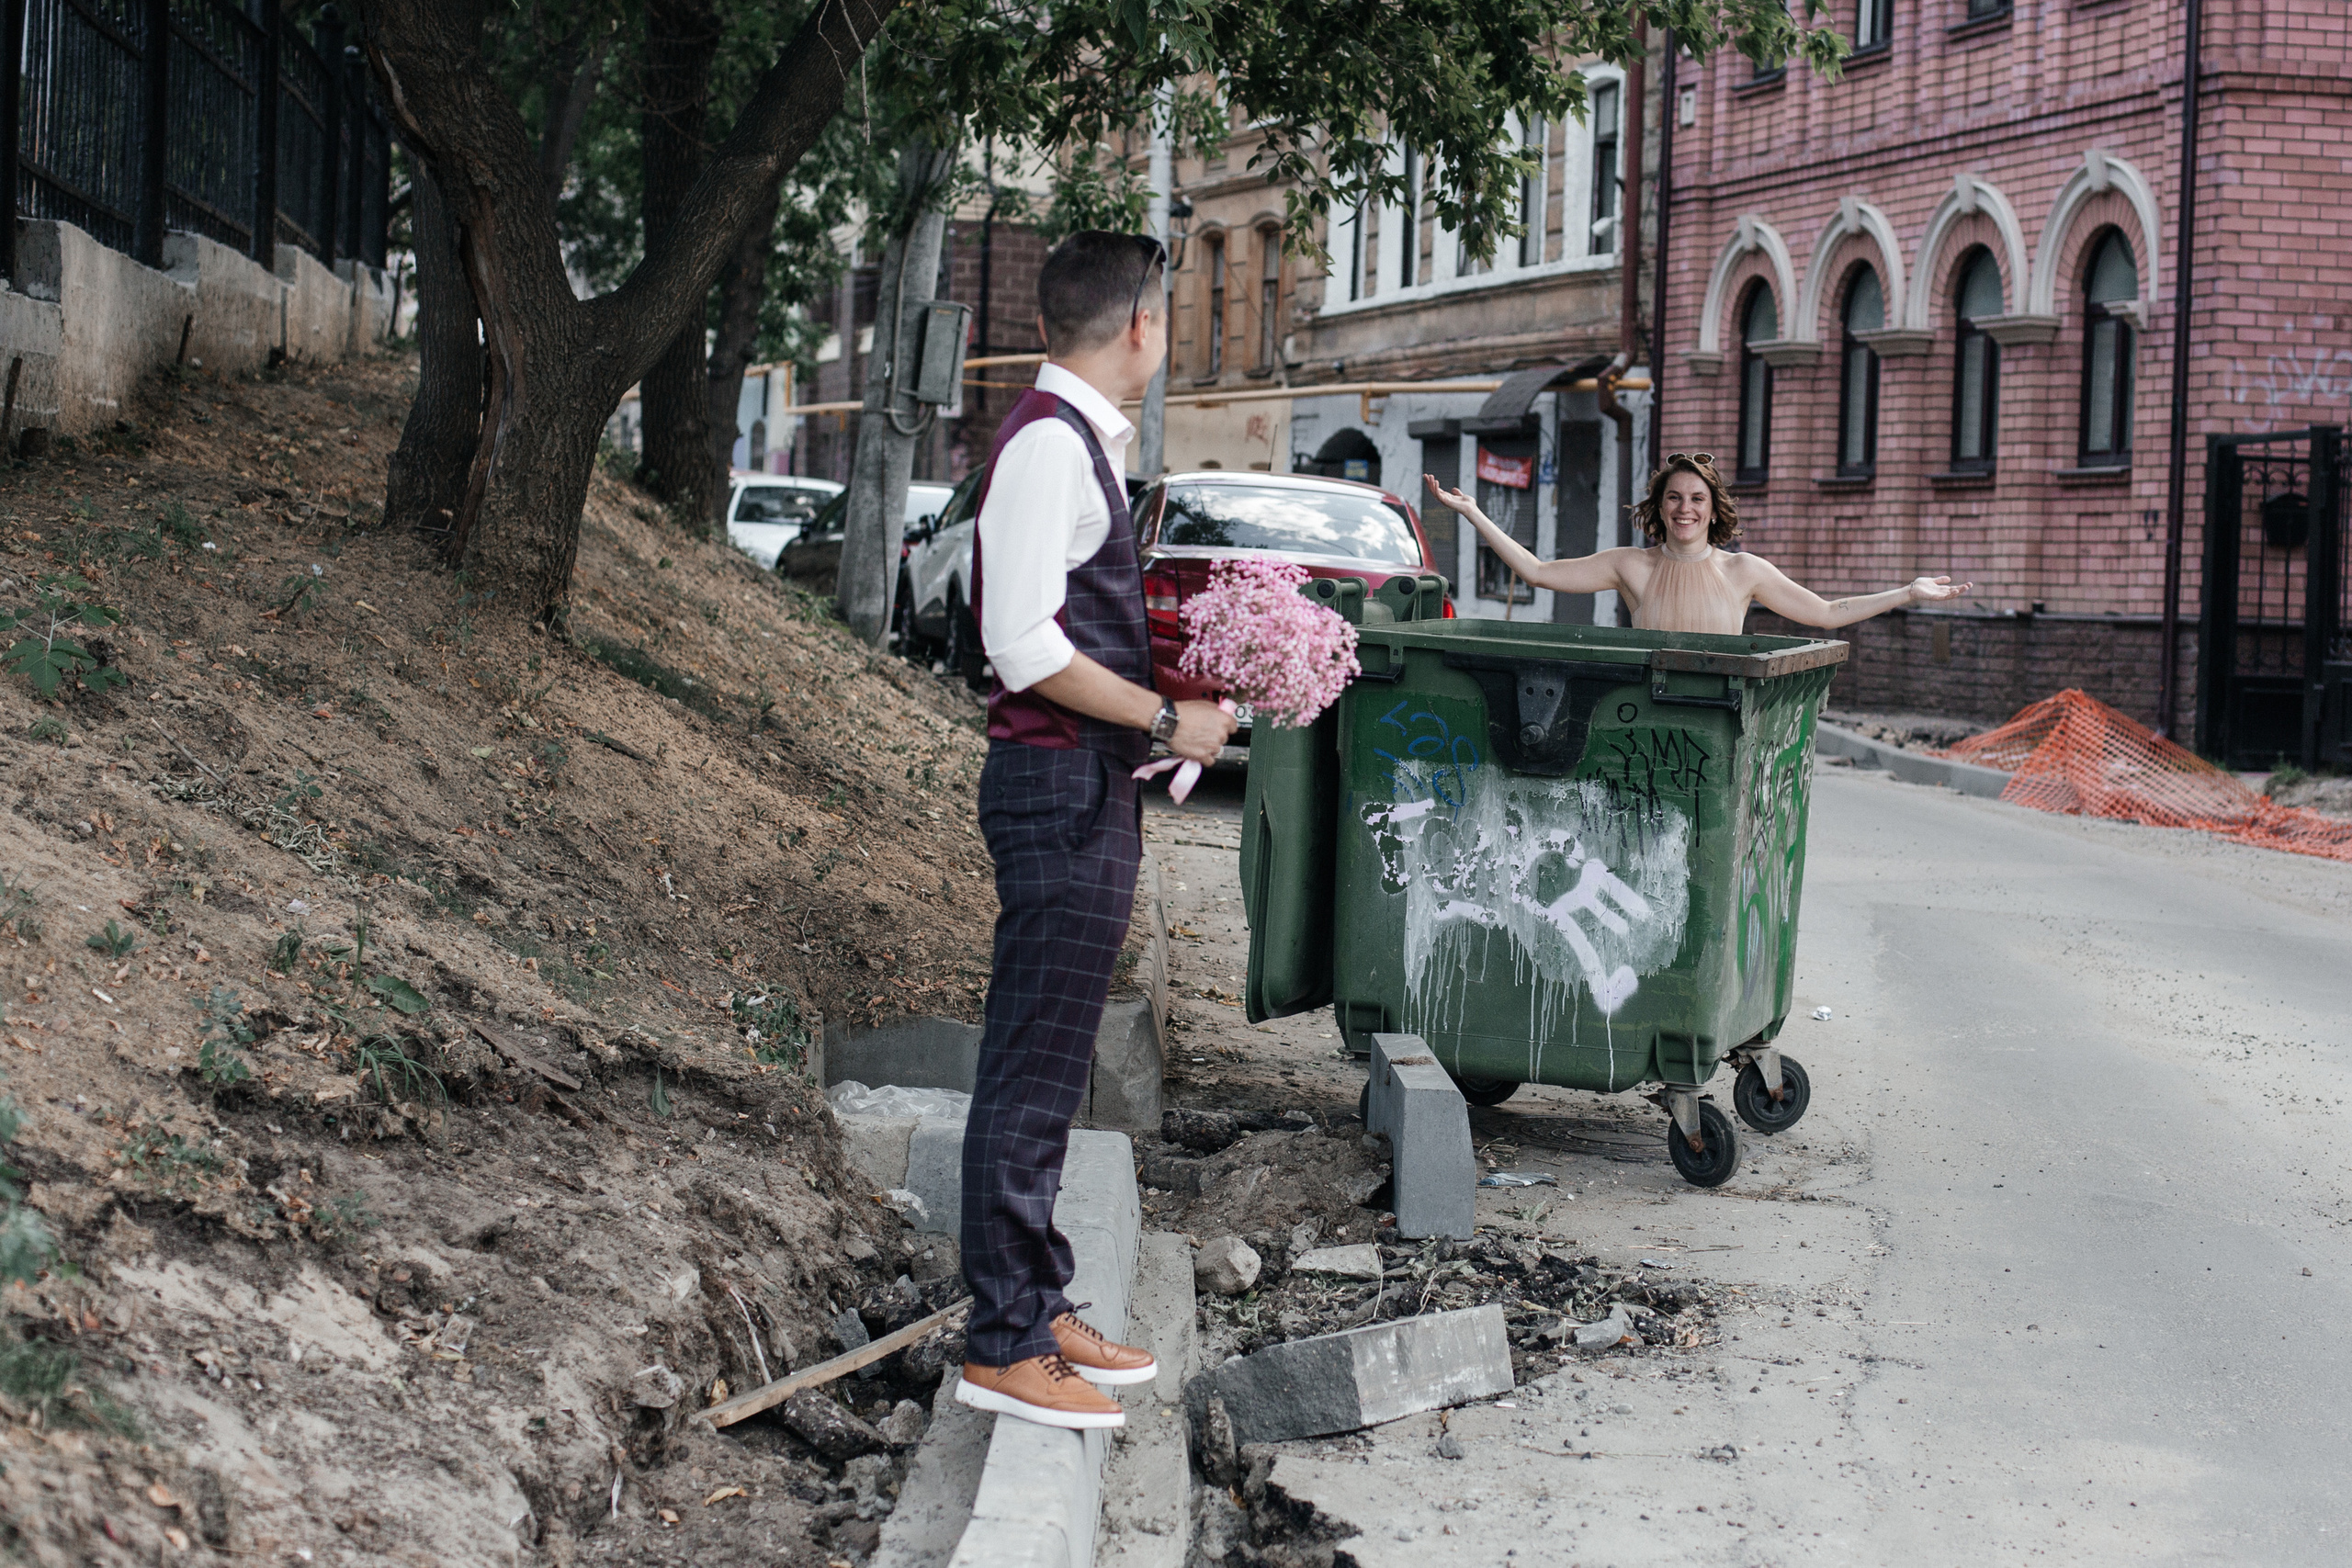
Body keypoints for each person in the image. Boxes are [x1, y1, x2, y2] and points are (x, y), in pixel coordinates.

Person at [956, 232, 1238, 1430]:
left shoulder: (1073, 444)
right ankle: (1004, 1337)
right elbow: (1020, 645)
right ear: (1138, 327)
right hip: (1055, 782)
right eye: (1167, 317)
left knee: (1057, 1062)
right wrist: (1166, 713)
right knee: (1028, 1064)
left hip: (1084, 783)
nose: (1165, 336)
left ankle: (1039, 1298)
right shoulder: (1045, 449)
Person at [1424, 451, 1972, 633]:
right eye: (1674, 498)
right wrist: (1474, 513)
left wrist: (1907, 592)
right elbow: (1539, 571)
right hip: (1645, 719)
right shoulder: (1630, 566)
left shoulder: (1744, 572)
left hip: (1718, 728)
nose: (1685, 508)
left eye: (1697, 499)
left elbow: (1827, 613)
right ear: (1661, 508)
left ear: (1713, 511)